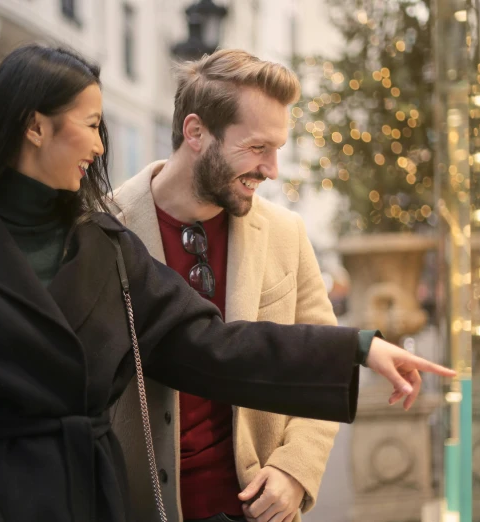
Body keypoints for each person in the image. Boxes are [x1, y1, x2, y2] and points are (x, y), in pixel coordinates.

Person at [0, 44, 455, 522]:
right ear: (34, 126)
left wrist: (356, 346)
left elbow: (211, 345)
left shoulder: (99, 242)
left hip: (97, 501)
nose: (101, 146)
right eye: (93, 126)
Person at [109, 49, 379, 522]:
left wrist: (295, 470)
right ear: (195, 132)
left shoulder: (286, 233)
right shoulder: (103, 229)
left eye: (277, 149)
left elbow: (314, 366)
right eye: (258, 148)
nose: (272, 169)